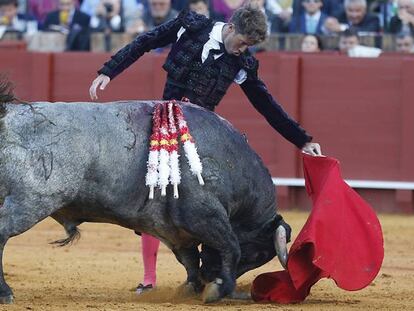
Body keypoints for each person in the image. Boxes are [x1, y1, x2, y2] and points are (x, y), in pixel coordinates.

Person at [88, 4, 322, 294]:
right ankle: (149, 279)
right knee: (153, 190)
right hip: (166, 122)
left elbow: (266, 105)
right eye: (243, 42)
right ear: (231, 27)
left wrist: (302, 139)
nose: (243, 49)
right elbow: (145, 42)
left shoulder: (242, 64)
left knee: (209, 197)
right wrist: (109, 71)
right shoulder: (191, 26)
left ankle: (201, 274)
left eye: (250, 46)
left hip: (203, 132)